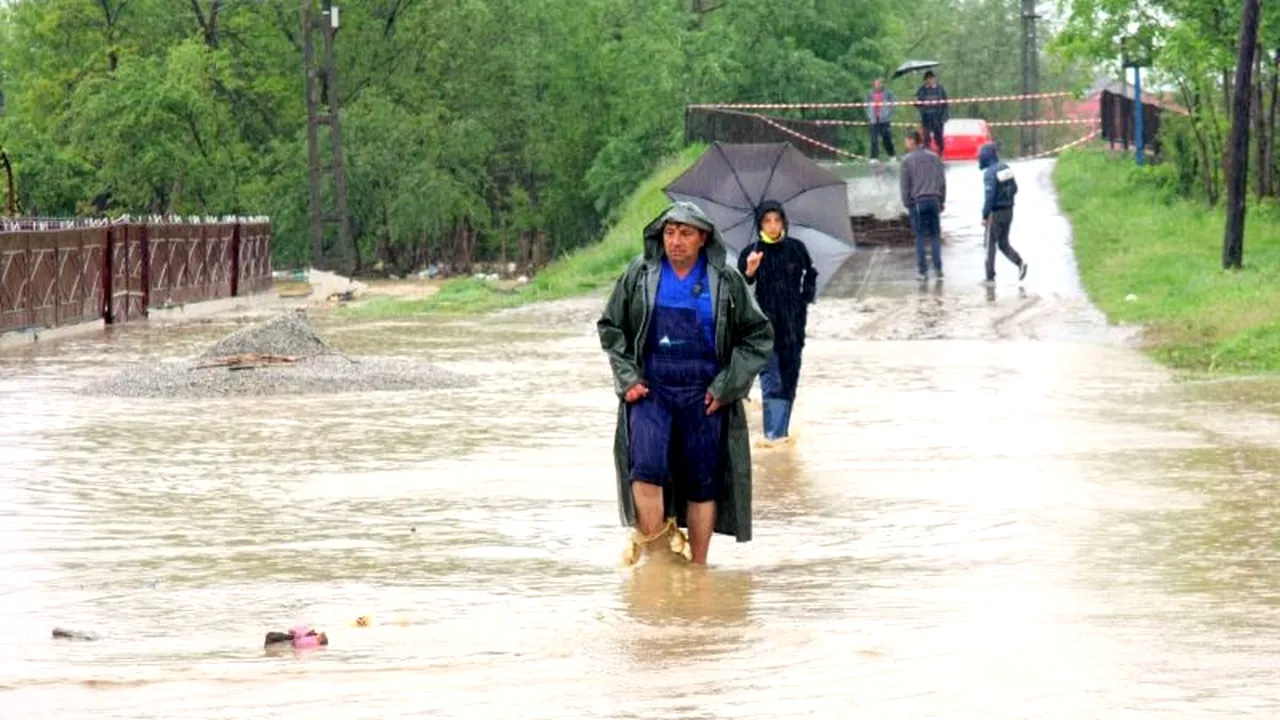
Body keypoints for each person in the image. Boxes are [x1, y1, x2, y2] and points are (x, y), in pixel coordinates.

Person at [597, 200, 774, 566]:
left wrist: (728, 386)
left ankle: (699, 569)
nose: (675, 241)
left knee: (702, 482)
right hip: (651, 392)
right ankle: (659, 563)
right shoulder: (639, 274)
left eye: (685, 233)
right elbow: (611, 327)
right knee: (644, 472)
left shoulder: (725, 279)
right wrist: (628, 378)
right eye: (669, 232)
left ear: (702, 238)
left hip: (705, 395)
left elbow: (757, 336)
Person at [736, 200, 817, 442]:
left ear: (783, 222)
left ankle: (781, 432)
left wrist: (806, 296)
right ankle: (773, 437)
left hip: (794, 326)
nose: (772, 226)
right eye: (767, 221)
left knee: (789, 380)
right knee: (772, 380)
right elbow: (742, 286)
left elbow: (810, 273)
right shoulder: (752, 253)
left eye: (777, 221)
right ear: (759, 224)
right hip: (765, 328)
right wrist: (750, 270)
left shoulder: (796, 248)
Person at [899, 130, 947, 281]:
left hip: (918, 202)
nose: (905, 144)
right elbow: (942, 181)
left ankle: (923, 271)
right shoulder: (934, 158)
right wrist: (942, 200)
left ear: (912, 141)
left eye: (906, 140)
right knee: (934, 236)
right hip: (934, 200)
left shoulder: (907, 160)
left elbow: (905, 185)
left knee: (919, 236)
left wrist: (907, 203)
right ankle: (938, 269)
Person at [978, 143, 1028, 284]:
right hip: (1009, 211)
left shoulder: (989, 174)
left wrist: (984, 215)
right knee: (1003, 243)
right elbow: (1015, 188)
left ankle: (989, 277)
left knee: (989, 244)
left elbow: (990, 197)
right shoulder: (1006, 168)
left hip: (996, 213)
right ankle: (1020, 263)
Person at [914, 71, 950, 156]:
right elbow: (917, 103)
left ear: (934, 79)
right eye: (928, 79)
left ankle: (941, 151)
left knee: (938, 136)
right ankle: (927, 154)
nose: (930, 80)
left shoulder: (940, 89)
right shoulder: (922, 90)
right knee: (926, 137)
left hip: (938, 116)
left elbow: (946, 103)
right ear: (925, 80)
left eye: (932, 78)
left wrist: (944, 116)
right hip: (926, 116)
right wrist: (916, 102)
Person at [865, 78, 896, 161]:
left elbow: (893, 104)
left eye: (879, 83)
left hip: (884, 120)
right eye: (876, 84)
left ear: (882, 84)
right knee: (874, 139)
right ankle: (874, 157)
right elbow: (866, 105)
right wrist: (870, 116)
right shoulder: (869, 94)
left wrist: (888, 114)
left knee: (886, 138)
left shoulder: (888, 93)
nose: (877, 85)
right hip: (874, 119)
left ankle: (892, 155)